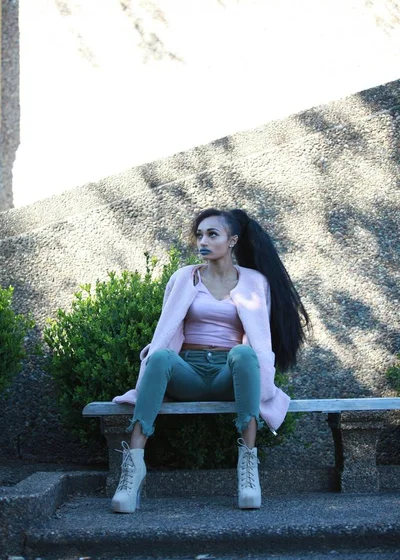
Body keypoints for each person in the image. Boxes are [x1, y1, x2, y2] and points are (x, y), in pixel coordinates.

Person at [111, 208, 309, 513]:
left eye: (212, 234)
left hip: (228, 374)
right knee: (160, 355)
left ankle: (248, 469)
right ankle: (133, 471)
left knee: (244, 353)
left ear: (232, 241)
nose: (203, 240)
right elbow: (166, 329)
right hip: (187, 372)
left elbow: (258, 339)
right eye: (200, 234)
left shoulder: (255, 282)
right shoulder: (184, 278)